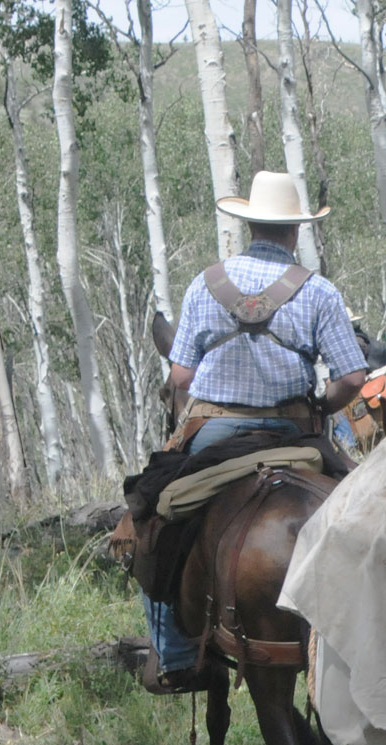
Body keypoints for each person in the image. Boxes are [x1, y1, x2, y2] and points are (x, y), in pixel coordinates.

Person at [142, 170, 367, 695]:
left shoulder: (206, 283)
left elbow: (180, 377)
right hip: (298, 437)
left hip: (216, 436)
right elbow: (353, 378)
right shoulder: (319, 291)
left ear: (251, 227)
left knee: (153, 517)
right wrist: (320, 404)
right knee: (374, 510)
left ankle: (176, 657)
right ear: (293, 232)